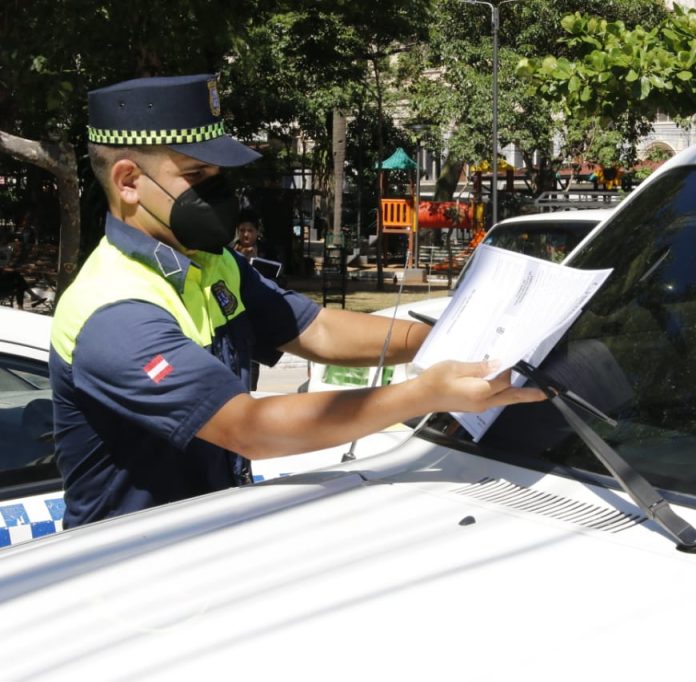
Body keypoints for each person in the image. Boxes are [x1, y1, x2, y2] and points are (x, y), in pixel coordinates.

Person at [50, 74, 545, 528]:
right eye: (197, 175)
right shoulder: (114, 310)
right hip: (130, 562)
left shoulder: (210, 261)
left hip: (206, 539)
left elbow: (316, 329)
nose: (217, 191)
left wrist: (451, 338)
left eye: (217, 173)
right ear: (128, 182)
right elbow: (247, 429)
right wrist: (425, 395)